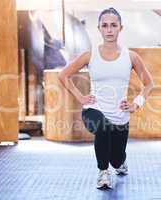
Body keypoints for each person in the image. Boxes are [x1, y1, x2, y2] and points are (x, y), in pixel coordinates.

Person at [58, 7, 153, 189]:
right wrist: (81, 97)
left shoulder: (131, 57)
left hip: (120, 117)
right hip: (94, 110)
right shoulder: (89, 55)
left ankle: (119, 163)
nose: (109, 30)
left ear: (120, 28)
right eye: (105, 25)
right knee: (103, 127)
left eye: (113, 25)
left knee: (116, 160)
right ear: (99, 29)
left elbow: (149, 84)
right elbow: (63, 75)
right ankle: (103, 173)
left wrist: (136, 104)